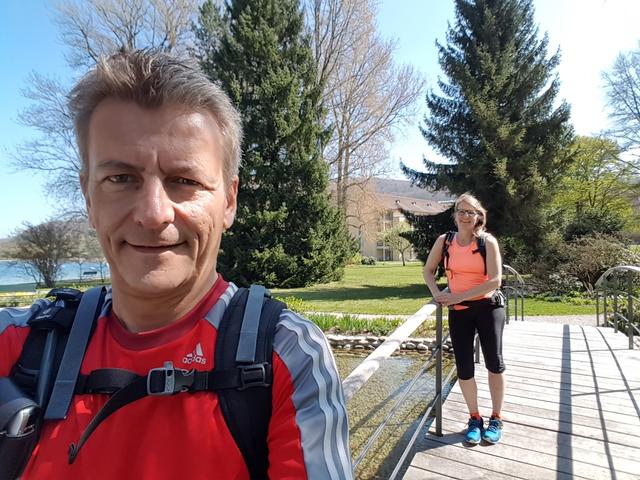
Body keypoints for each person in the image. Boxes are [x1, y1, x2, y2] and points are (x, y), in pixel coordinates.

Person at [0, 50, 353, 479]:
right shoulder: (19, 343)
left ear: (229, 200)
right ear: (89, 197)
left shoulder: (287, 357)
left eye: (184, 181)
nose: (153, 214)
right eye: (120, 179)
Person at [423, 193, 506, 445]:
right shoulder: (444, 241)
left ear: (478, 216)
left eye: (471, 212)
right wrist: (437, 293)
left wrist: (459, 296)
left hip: (488, 308)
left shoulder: (487, 242)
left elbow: (494, 280)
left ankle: (496, 418)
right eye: (461, 210)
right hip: (459, 313)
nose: (465, 216)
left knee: (494, 364)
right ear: (455, 213)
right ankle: (474, 418)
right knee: (464, 368)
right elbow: (428, 270)